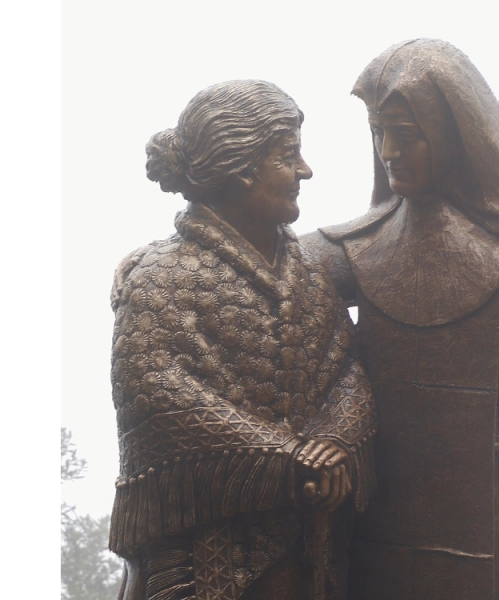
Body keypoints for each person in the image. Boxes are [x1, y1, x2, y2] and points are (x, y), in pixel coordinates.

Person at [302, 39, 499, 600]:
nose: (389, 149)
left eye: (406, 131)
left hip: (495, 484)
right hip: (387, 491)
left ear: (452, 133)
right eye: (378, 131)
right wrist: (176, 257)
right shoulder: (360, 245)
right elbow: (274, 267)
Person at [108, 80, 376, 600]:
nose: (305, 171)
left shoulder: (310, 275)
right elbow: (155, 391)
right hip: (201, 560)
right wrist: (286, 456)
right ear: (241, 167)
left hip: (311, 557)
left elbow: (348, 368)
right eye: (288, 156)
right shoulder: (159, 278)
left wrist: (337, 441)